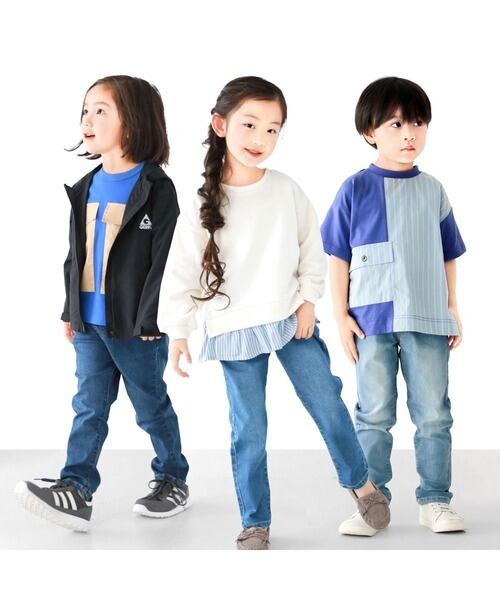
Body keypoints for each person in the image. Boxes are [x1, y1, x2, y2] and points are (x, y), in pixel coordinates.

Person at [163, 75, 390, 550]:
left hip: (290, 319)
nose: (260, 138)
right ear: (220, 125)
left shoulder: (285, 188)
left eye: (272, 129)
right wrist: (179, 333)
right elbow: (182, 271)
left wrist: (308, 301)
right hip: (233, 329)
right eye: (249, 124)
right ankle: (255, 520)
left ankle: (360, 483)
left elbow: (313, 249)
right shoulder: (203, 203)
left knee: (327, 403)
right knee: (249, 430)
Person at [14, 75, 189, 532]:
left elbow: (166, 261)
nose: (88, 120)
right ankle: (76, 487)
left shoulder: (156, 188)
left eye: (101, 111)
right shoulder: (86, 185)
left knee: (150, 406)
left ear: (134, 121)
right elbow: (77, 254)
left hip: (136, 326)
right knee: (89, 406)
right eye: (85, 111)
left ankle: (172, 478)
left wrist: (152, 319)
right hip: (89, 324)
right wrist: (69, 310)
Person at [321, 76, 466, 536]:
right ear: (370, 132)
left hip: (427, 317)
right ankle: (372, 503)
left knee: (434, 414)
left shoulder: (433, 190)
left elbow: (448, 254)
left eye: (418, 123)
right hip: (371, 321)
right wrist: (341, 316)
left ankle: (435, 500)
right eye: (396, 124)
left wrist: (452, 307)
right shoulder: (354, 189)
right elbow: (338, 256)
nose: (409, 134)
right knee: (373, 414)